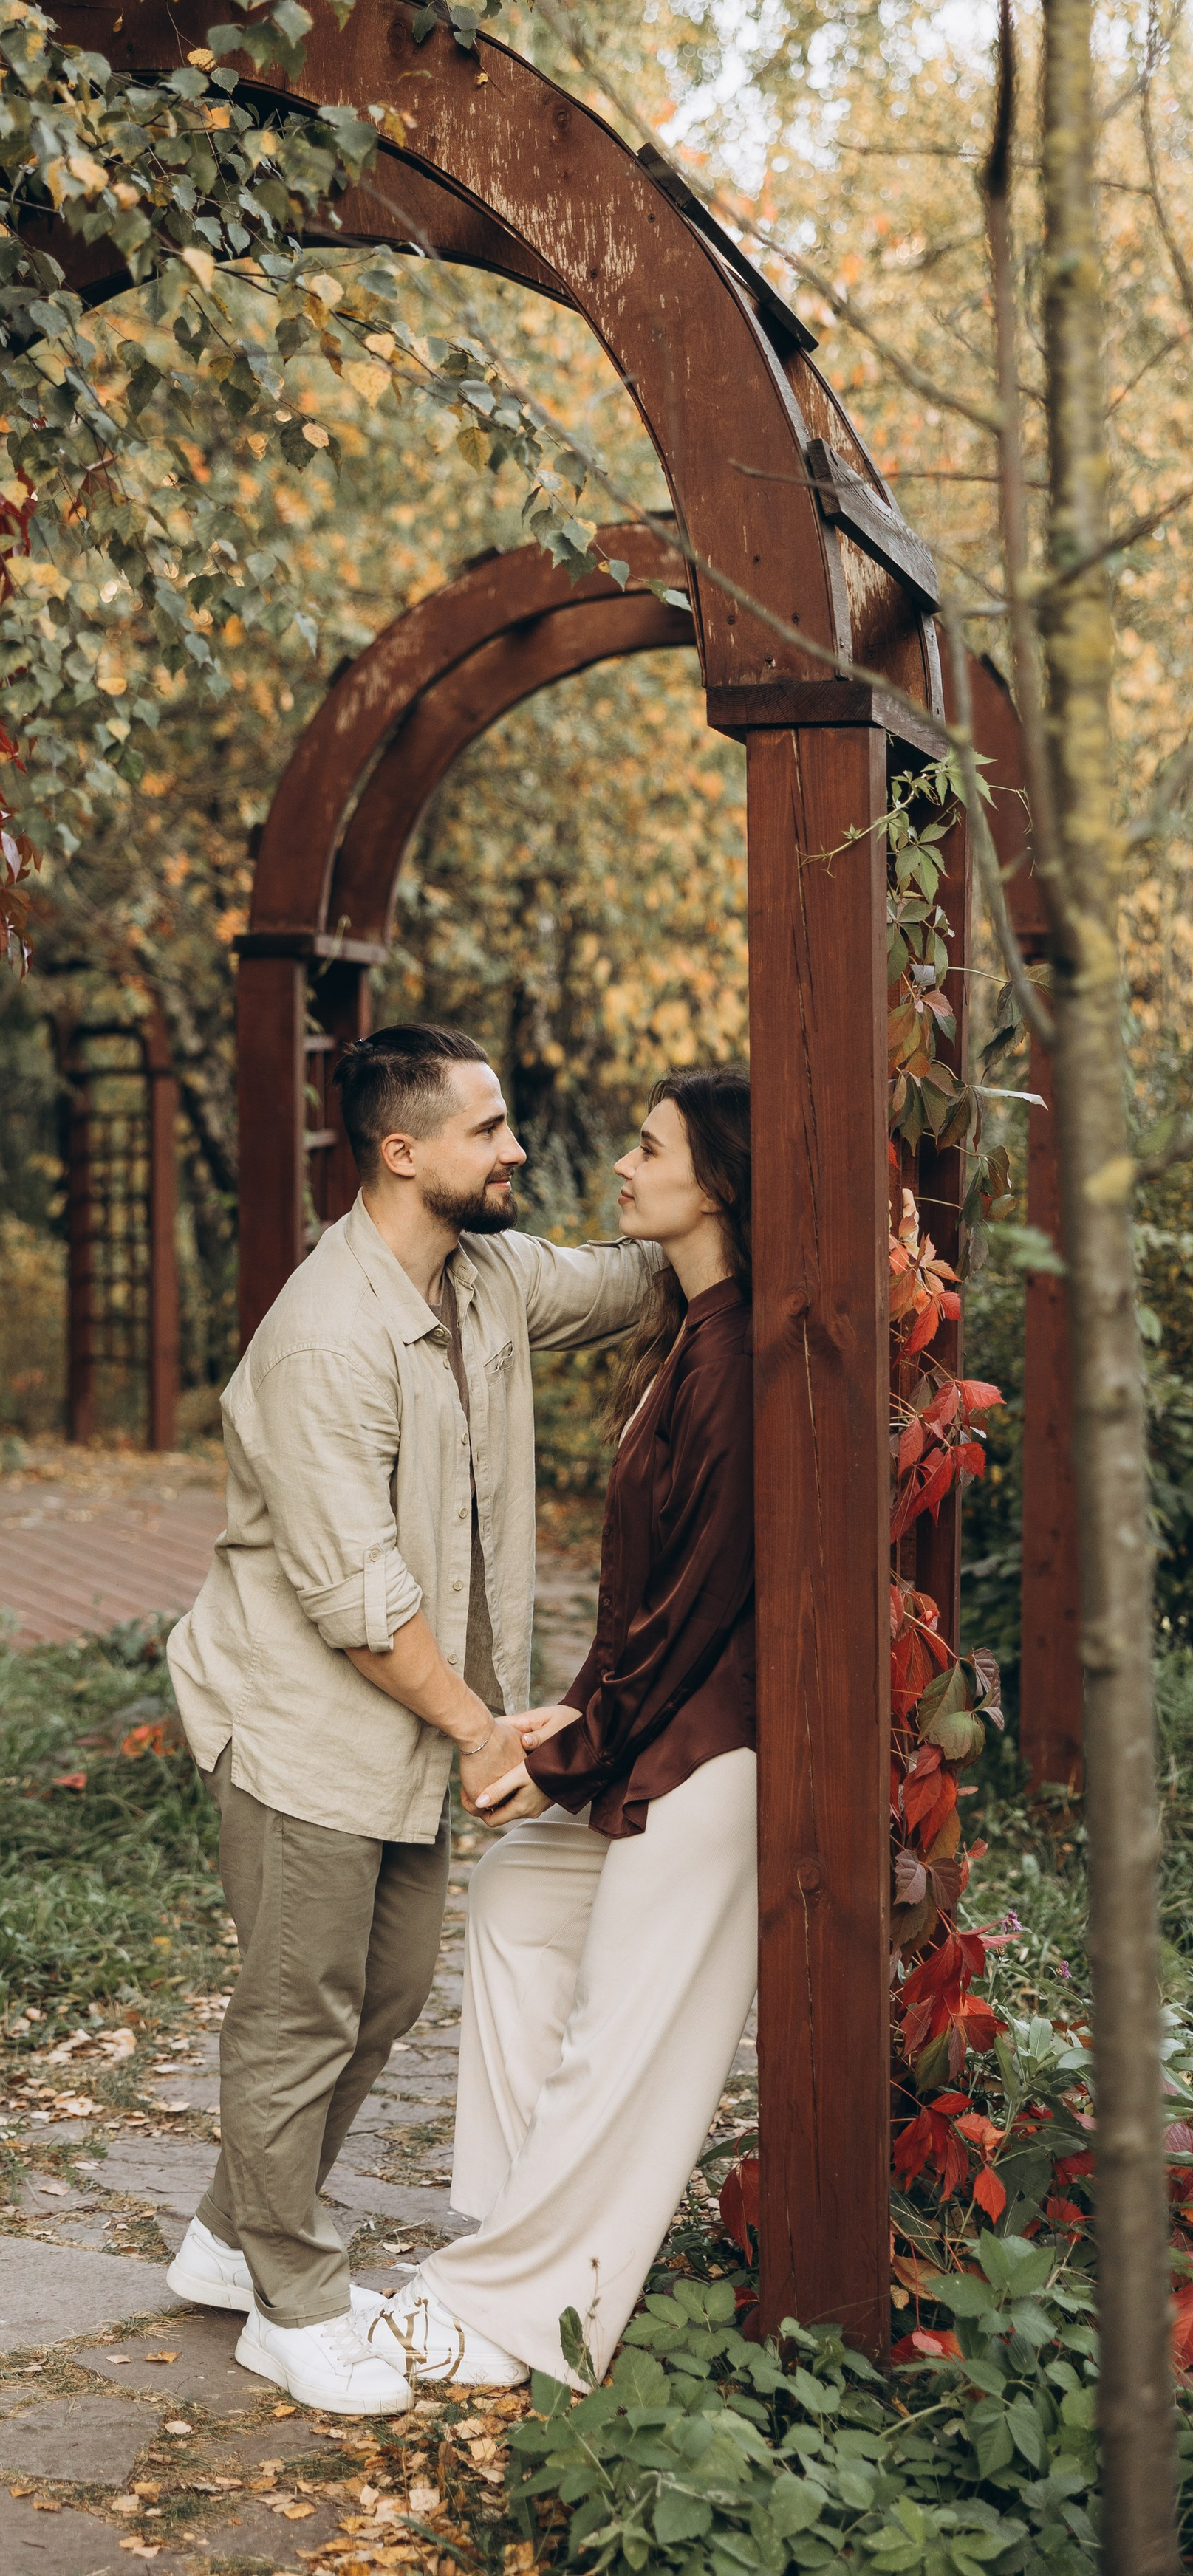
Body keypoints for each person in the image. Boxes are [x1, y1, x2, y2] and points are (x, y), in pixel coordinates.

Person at [164, 1024, 659, 2414]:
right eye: (489, 1129)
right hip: (309, 1725)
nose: (517, 1150)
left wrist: (733, 1199)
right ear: (402, 1153)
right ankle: (292, 2301)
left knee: (378, 1998)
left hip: (408, 1733)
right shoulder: (323, 1338)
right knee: (298, 2013)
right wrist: (487, 1732)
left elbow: (626, 1285)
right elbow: (361, 1603)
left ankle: (223, 2236)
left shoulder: (485, 1277)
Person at [377, 1066, 756, 2393]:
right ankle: (514, 2231)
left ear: (717, 1178)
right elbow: (648, 1594)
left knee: (621, 2039)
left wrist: (566, 1760)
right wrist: (581, 1714)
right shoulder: (691, 1332)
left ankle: (521, 2312)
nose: (620, 1163)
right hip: (664, 1732)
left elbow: (708, 1603)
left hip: (720, 1760)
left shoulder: (742, 1359)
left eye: (649, 1148)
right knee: (521, 1906)